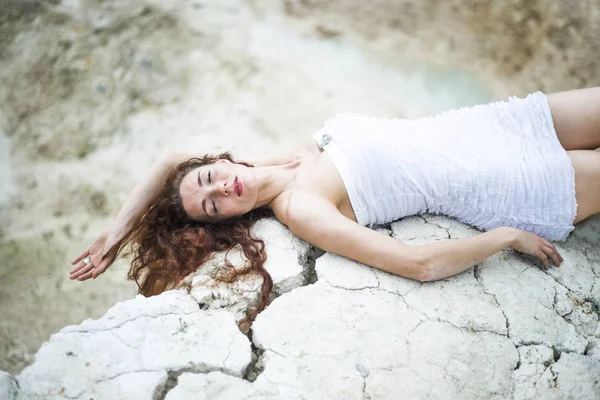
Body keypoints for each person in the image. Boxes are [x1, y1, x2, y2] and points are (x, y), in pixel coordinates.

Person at [70, 87, 600, 330]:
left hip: (494, 125)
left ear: (218, 160)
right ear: (227, 221)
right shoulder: (299, 208)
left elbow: (169, 160)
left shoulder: (281, 156)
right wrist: (505, 237)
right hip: (506, 182)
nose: (221, 189)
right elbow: (420, 265)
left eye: (210, 177)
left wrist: (116, 232)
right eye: (211, 206)